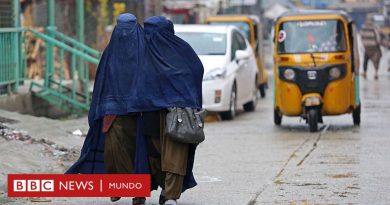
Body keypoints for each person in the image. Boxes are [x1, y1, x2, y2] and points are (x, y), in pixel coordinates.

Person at [65, 13, 149, 205]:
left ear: (136, 28)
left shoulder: (146, 51)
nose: (125, 33)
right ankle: (118, 186)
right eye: (121, 28)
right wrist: (101, 107)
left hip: (141, 112)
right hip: (114, 113)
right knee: (113, 152)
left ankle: (138, 193)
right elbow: (102, 82)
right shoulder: (110, 54)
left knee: (139, 154)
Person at [142, 16, 204, 205]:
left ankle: (171, 195)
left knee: (175, 156)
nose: (148, 35)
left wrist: (181, 96)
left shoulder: (181, 50)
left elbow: (195, 71)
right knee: (154, 154)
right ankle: (164, 189)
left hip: (177, 112)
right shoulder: (144, 51)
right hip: (151, 110)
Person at [361, 15, 382, 80]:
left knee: (365, 60)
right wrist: (378, 43)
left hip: (367, 47)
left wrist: (364, 44)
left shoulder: (363, 27)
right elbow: (377, 36)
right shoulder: (374, 27)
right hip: (374, 47)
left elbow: (362, 36)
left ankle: (365, 72)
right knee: (376, 60)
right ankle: (376, 73)